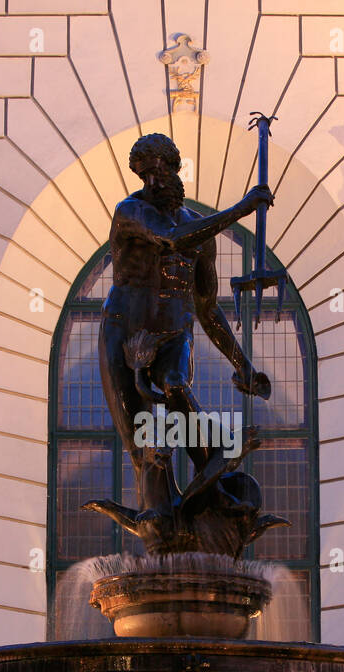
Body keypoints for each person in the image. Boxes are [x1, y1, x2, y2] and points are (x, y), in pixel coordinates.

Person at [99, 132, 273, 520]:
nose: (153, 182)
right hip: (125, 333)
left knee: (176, 383)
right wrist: (241, 209)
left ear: (174, 168)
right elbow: (171, 239)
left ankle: (213, 479)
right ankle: (165, 515)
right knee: (141, 449)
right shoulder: (131, 211)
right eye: (144, 176)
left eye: (158, 171)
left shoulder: (200, 231)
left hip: (175, 331)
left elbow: (207, 310)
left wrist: (241, 363)